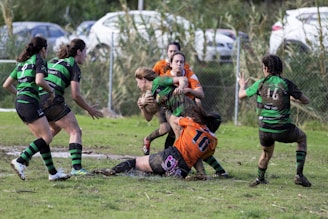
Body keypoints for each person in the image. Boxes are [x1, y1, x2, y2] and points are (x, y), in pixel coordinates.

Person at [136, 62, 228, 178]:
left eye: (137, 81)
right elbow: (148, 118)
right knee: (193, 145)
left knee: (190, 146)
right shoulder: (151, 94)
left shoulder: (159, 81)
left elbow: (183, 79)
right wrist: (143, 106)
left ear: (143, 79)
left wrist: (180, 87)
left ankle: (202, 172)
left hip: (188, 111)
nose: (137, 85)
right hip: (180, 116)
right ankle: (214, 172)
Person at [2, 36, 70, 181]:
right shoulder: (38, 60)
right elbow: (39, 80)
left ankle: (53, 173)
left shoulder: (22, 63)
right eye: (47, 49)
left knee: (42, 138)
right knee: (47, 137)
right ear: (43, 49)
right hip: (29, 103)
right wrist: (51, 91)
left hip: (20, 103)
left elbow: (6, 85)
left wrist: (20, 93)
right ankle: (20, 161)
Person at [238, 54, 311, 187]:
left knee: (266, 153)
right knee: (302, 138)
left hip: (264, 129)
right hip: (282, 128)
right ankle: (299, 175)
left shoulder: (260, 83)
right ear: (280, 69)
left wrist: (242, 85)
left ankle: (260, 178)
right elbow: (305, 101)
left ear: (266, 68)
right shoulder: (286, 83)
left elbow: (241, 96)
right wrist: (295, 97)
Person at [93, 104, 218, 179]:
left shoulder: (193, 124)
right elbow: (200, 157)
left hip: (171, 156)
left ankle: (112, 170)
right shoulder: (213, 142)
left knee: (134, 162)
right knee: (155, 173)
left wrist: (171, 109)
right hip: (183, 169)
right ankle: (198, 175)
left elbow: (175, 120)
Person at [39, 38, 103, 176]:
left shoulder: (53, 61)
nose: (86, 55)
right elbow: (76, 95)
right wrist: (89, 109)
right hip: (52, 99)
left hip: (37, 99)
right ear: (79, 51)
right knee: (75, 131)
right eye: (85, 52)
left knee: (52, 130)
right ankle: (77, 168)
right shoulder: (73, 65)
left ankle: (23, 158)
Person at [142, 42, 192, 155]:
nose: (172, 53)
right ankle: (148, 139)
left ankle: (167, 156)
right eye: (170, 51)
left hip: (174, 103)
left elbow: (187, 81)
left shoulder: (184, 67)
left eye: (175, 51)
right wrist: (147, 97)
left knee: (173, 131)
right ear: (167, 52)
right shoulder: (159, 65)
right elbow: (150, 80)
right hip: (160, 102)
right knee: (166, 128)